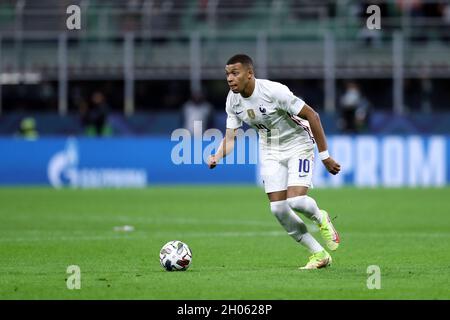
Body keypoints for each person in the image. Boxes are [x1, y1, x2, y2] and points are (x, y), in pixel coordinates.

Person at [207, 54, 341, 270]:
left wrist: (325, 157)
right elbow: (230, 138)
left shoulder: (273, 91)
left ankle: (321, 217)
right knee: (278, 209)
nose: (230, 79)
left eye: (235, 73)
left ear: (249, 74)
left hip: (298, 143)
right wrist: (217, 155)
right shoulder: (232, 101)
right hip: (269, 149)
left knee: (296, 201)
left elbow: (313, 116)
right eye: (227, 74)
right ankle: (318, 254)